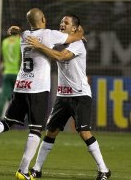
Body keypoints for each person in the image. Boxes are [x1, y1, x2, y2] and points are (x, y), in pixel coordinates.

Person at [0, 8, 84, 180]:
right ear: (43, 18)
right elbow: (76, 37)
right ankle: (22, 170)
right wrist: (79, 30)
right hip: (37, 88)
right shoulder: (50, 35)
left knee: (7, 121)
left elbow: (27, 32)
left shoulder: (25, 35)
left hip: (21, 85)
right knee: (36, 130)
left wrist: (19, 30)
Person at [25, 14, 111, 180]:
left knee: (84, 132)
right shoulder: (59, 40)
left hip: (80, 94)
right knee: (50, 132)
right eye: (61, 21)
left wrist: (40, 45)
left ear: (74, 28)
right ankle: (36, 169)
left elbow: (61, 56)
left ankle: (104, 170)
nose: (62, 24)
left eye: (66, 22)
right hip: (62, 96)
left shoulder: (78, 44)